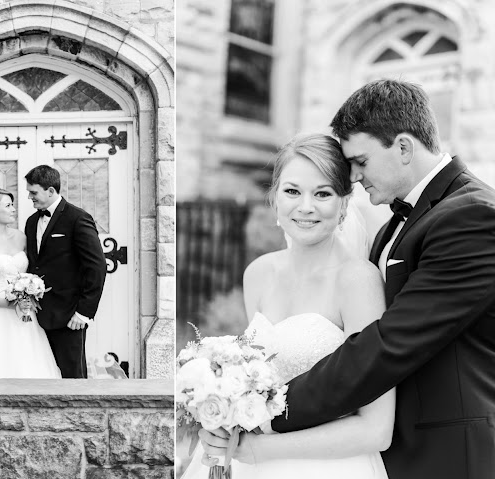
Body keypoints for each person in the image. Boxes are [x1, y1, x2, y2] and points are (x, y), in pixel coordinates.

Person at [206, 79, 495, 479]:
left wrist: (263, 408)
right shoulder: (394, 226)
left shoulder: (470, 216)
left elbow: (388, 344)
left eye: (360, 161)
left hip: (448, 451)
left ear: (404, 147)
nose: (355, 176)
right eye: (292, 191)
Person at [184, 133, 393, 478]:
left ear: (344, 202)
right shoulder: (259, 273)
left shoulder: (357, 280)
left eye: (323, 193)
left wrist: (260, 450)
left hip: (325, 468)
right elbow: (254, 384)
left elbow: (376, 428)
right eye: (292, 191)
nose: (306, 207)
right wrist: (218, 413)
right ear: (275, 198)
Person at [0, 188, 61, 378]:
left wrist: (32, 290)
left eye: (12, 205)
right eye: (8, 205)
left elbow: (35, 270)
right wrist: (11, 304)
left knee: (29, 366)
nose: (13, 209)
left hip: (25, 314)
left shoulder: (21, 237)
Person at [24, 165, 107, 378]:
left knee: (73, 378)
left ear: (51, 191)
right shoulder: (32, 222)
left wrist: (84, 312)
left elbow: (96, 267)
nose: (29, 198)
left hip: (70, 316)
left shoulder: (78, 218)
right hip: (36, 315)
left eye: (33, 193)